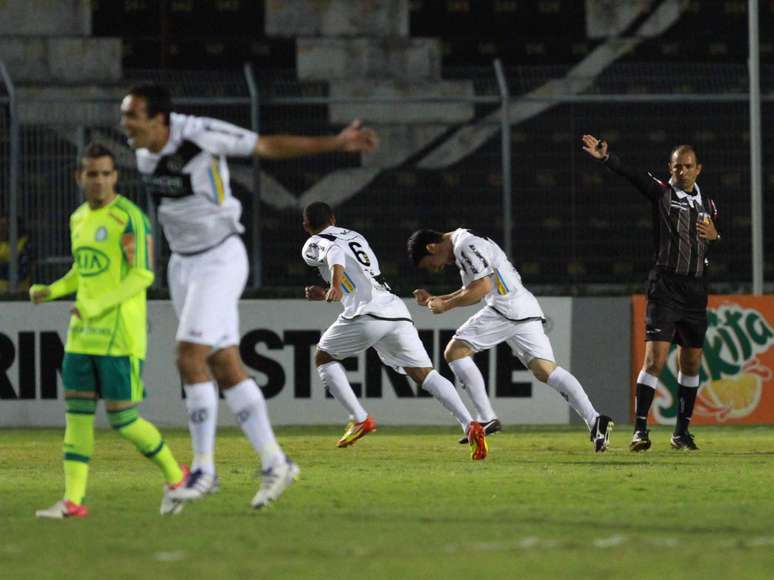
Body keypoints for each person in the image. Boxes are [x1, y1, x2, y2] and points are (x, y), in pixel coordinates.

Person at [120, 84, 378, 508]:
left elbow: (266, 145)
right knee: (223, 362)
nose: (125, 124)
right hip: (182, 265)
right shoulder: (145, 149)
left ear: (159, 119)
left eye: (132, 115)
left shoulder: (199, 134)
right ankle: (276, 462)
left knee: (188, 356)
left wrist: (336, 142)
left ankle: (203, 469)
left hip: (219, 258)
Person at [31, 143, 188, 519]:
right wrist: (52, 290)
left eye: (106, 173)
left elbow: (143, 274)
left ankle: (175, 476)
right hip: (81, 335)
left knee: (123, 420)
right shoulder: (78, 218)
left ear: (115, 176)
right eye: (92, 174)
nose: (99, 180)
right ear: (79, 177)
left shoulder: (130, 218)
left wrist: (97, 305)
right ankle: (73, 500)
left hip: (119, 335)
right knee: (78, 414)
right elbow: (82, 272)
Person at [301, 202, 488, 459]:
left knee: (323, 357)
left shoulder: (313, 243)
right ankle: (471, 424)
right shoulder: (355, 235)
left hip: (367, 314)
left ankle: (359, 419)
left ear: (306, 226)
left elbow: (333, 252)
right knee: (424, 373)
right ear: (333, 218)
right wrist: (327, 294)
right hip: (394, 309)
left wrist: (333, 284)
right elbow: (359, 278)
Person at [407, 227, 614, 452]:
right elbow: (473, 289)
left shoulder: (465, 246)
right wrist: (438, 299)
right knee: (545, 370)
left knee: (455, 352)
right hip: (522, 306)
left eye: (430, 264)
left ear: (431, 247)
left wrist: (446, 305)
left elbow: (482, 288)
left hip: (505, 307)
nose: (436, 268)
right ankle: (596, 420)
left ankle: (486, 418)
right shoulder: (465, 244)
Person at [581, 134, 720, 451]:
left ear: (698, 169)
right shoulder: (662, 193)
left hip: (696, 291)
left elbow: (709, 240)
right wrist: (606, 158)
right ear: (669, 169)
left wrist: (716, 233)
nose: (682, 172)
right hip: (665, 287)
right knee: (655, 359)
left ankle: (681, 432)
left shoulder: (709, 204)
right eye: (676, 167)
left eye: (687, 166)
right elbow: (631, 175)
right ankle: (640, 430)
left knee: (692, 363)